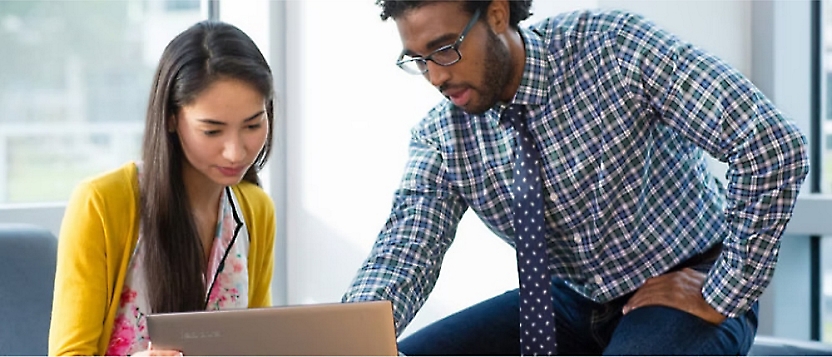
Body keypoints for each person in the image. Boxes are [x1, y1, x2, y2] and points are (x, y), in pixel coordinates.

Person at [342, 0, 809, 355]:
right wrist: (345, 338)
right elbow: (404, 251)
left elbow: (770, 143)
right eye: (418, 59)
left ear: (497, 14)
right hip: (569, 299)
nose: (435, 77)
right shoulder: (442, 136)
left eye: (445, 49)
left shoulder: (612, 48)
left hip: (686, 280)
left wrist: (725, 289)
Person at [48, 20, 276, 356]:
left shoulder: (255, 209)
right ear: (171, 118)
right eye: (212, 131)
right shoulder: (102, 203)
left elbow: (259, 345)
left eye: (253, 125)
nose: (236, 151)